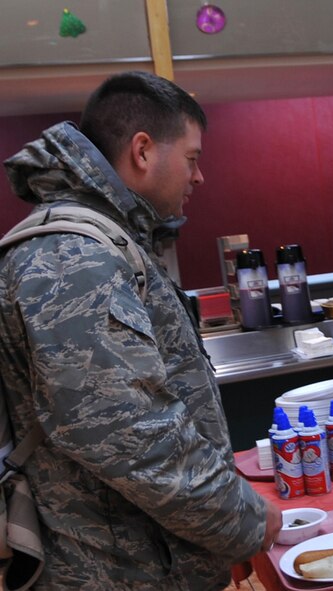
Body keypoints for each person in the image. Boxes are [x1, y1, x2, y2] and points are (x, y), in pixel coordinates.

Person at [0, 71, 281, 589]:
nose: (199, 177)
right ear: (143, 150)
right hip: (117, 573)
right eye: (192, 158)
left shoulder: (106, 240)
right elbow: (126, 431)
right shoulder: (74, 254)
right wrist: (241, 518)